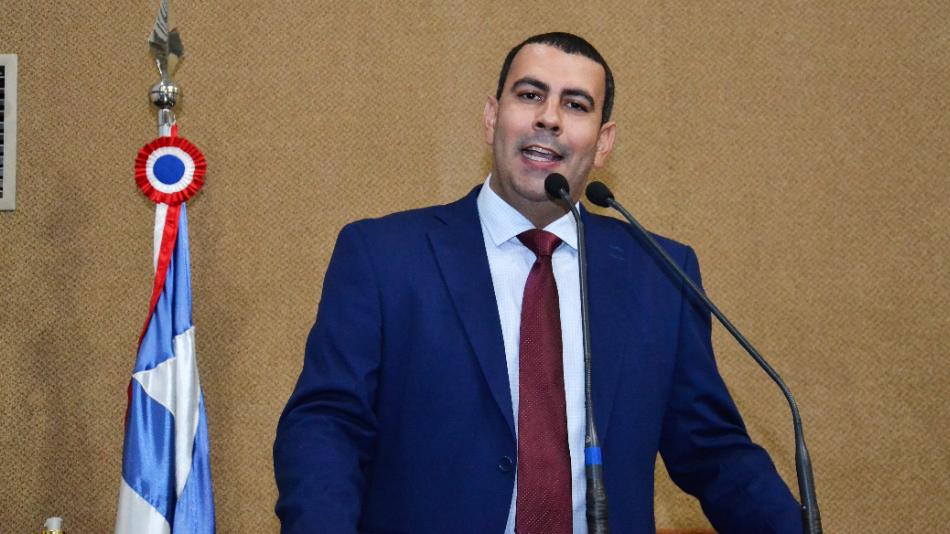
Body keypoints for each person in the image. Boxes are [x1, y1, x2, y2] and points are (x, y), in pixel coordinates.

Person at [274, 32, 803, 534]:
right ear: (492, 117)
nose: (549, 118)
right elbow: (328, 424)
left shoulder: (660, 272)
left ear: (603, 142)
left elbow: (712, 449)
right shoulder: (384, 256)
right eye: (530, 95)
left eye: (576, 105)